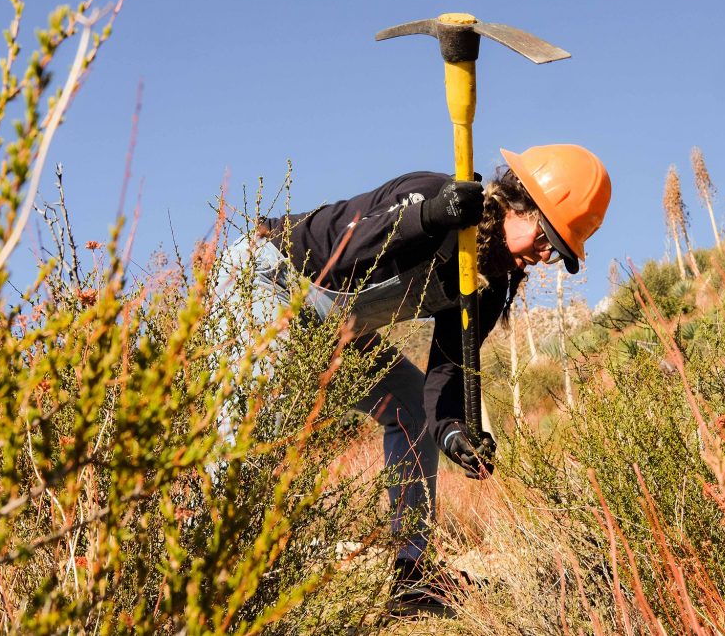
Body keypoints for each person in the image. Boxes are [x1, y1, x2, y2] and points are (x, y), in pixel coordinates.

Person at [215, 144, 611, 615]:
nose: (543, 257)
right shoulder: (430, 195)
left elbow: (449, 365)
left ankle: (412, 575)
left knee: (410, 407)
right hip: (269, 278)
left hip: (334, 327)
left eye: (557, 252)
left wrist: (452, 431)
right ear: (519, 204)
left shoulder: (492, 282)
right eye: (546, 240)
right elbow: (347, 253)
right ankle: (207, 571)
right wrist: (427, 217)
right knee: (257, 425)